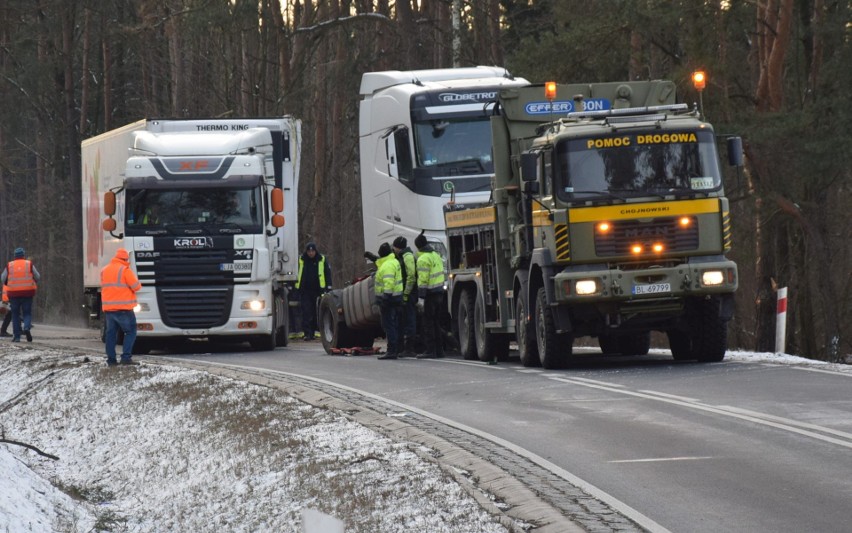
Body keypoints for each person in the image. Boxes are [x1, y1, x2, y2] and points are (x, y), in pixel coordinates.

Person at [101, 248, 142, 365]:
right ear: (125, 259)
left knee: (110, 335)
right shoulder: (125, 270)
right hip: (124, 308)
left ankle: (111, 360)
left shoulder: (104, 270)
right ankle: (126, 358)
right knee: (130, 332)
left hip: (109, 310)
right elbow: (136, 286)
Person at [414, 232, 446, 359]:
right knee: (436, 323)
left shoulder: (423, 259)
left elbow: (423, 280)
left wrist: (421, 298)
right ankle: (439, 350)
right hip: (439, 293)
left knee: (428, 324)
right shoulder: (435, 255)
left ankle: (430, 350)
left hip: (429, 295)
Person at [1, 247, 40, 342]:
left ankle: (17, 337)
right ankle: (26, 327)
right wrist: (33, 281)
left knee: (15, 314)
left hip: (13, 294)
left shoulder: (9, 265)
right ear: (23, 255)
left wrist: (9, 284)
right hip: (27, 293)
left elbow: (3, 278)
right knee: (27, 313)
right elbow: (37, 276)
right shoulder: (29, 264)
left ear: (15, 256)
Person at [295, 242, 332, 340]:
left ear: (315, 251)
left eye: (312, 251)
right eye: (309, 251)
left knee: (317, 311)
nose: (311, 253)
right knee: (306, 312)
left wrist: (328, 286)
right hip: (305, 290)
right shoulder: (302, 260)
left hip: (318, 290)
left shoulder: (322, 259)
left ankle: (316, 332)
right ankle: (307, 333)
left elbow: (327, 273)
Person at [374, 242, 403, 360]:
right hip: (396, 298)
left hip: (389, 300)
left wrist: (385, 299)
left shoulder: (387, 266)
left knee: (389, 326)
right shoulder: (394, 262)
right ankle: (396, 349)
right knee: (395, 325)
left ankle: (392, 351)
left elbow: (388, 283)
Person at [392, 236, 417, 356]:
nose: (393, 249)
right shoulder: (402, 256)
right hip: (405, 293)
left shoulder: (407, 257)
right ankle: (403, 347)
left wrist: (406, 294)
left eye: (395, 247)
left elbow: (411, 277)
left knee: (409, 320)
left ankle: (409, 348)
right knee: (403, 320)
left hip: (409, 294)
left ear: (399, 247)